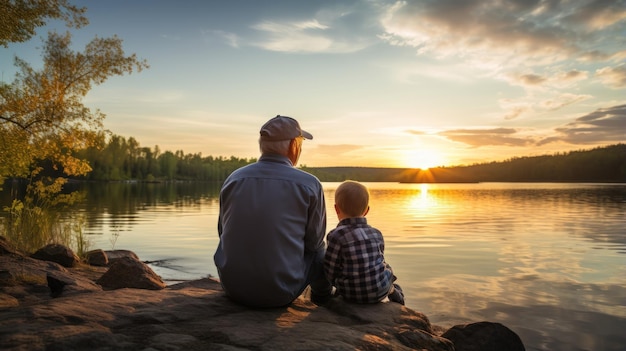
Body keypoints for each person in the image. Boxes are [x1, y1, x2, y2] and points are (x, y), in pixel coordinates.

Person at [213, 115, 332, 308]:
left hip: (232, 289)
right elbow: (313, 243)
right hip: (280, 293)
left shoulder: (234, 178)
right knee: (320, 249)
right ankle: (324, 299)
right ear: (294, 145)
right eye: (301, 143)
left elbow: (222, 231)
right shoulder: (309, 184)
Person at [324, 180, 404, 305]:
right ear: (366, 210)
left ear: (336, 209)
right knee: (386, 269)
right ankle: (397, 298)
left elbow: (330, 270)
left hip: (350, 294)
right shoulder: (376, 233)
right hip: (380, 290)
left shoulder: (335, 235)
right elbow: (379, 259)